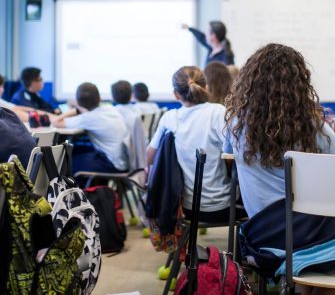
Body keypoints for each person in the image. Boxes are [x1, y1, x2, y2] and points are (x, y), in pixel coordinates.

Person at [224, 43, 335, 293]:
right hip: (314, 238)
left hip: (262, 239)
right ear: (300, 83)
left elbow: (227, 159)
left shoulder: (237, 127)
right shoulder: (319, 133)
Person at [147, 66, 236, 224]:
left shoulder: (170, 118)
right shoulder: (218, 112)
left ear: (176, 94)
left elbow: (149, 157)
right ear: (206, 87)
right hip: (224, 207)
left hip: (186, 209)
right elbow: (235, 152)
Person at [53, 82, 129, 174]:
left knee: (65, 162)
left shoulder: (88, 118)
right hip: (123, 161)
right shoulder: (110, 108)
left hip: (111, 164)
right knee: (77, 150)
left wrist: (75, 109)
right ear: (99, 97)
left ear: (79, 102)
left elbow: (56, 122)